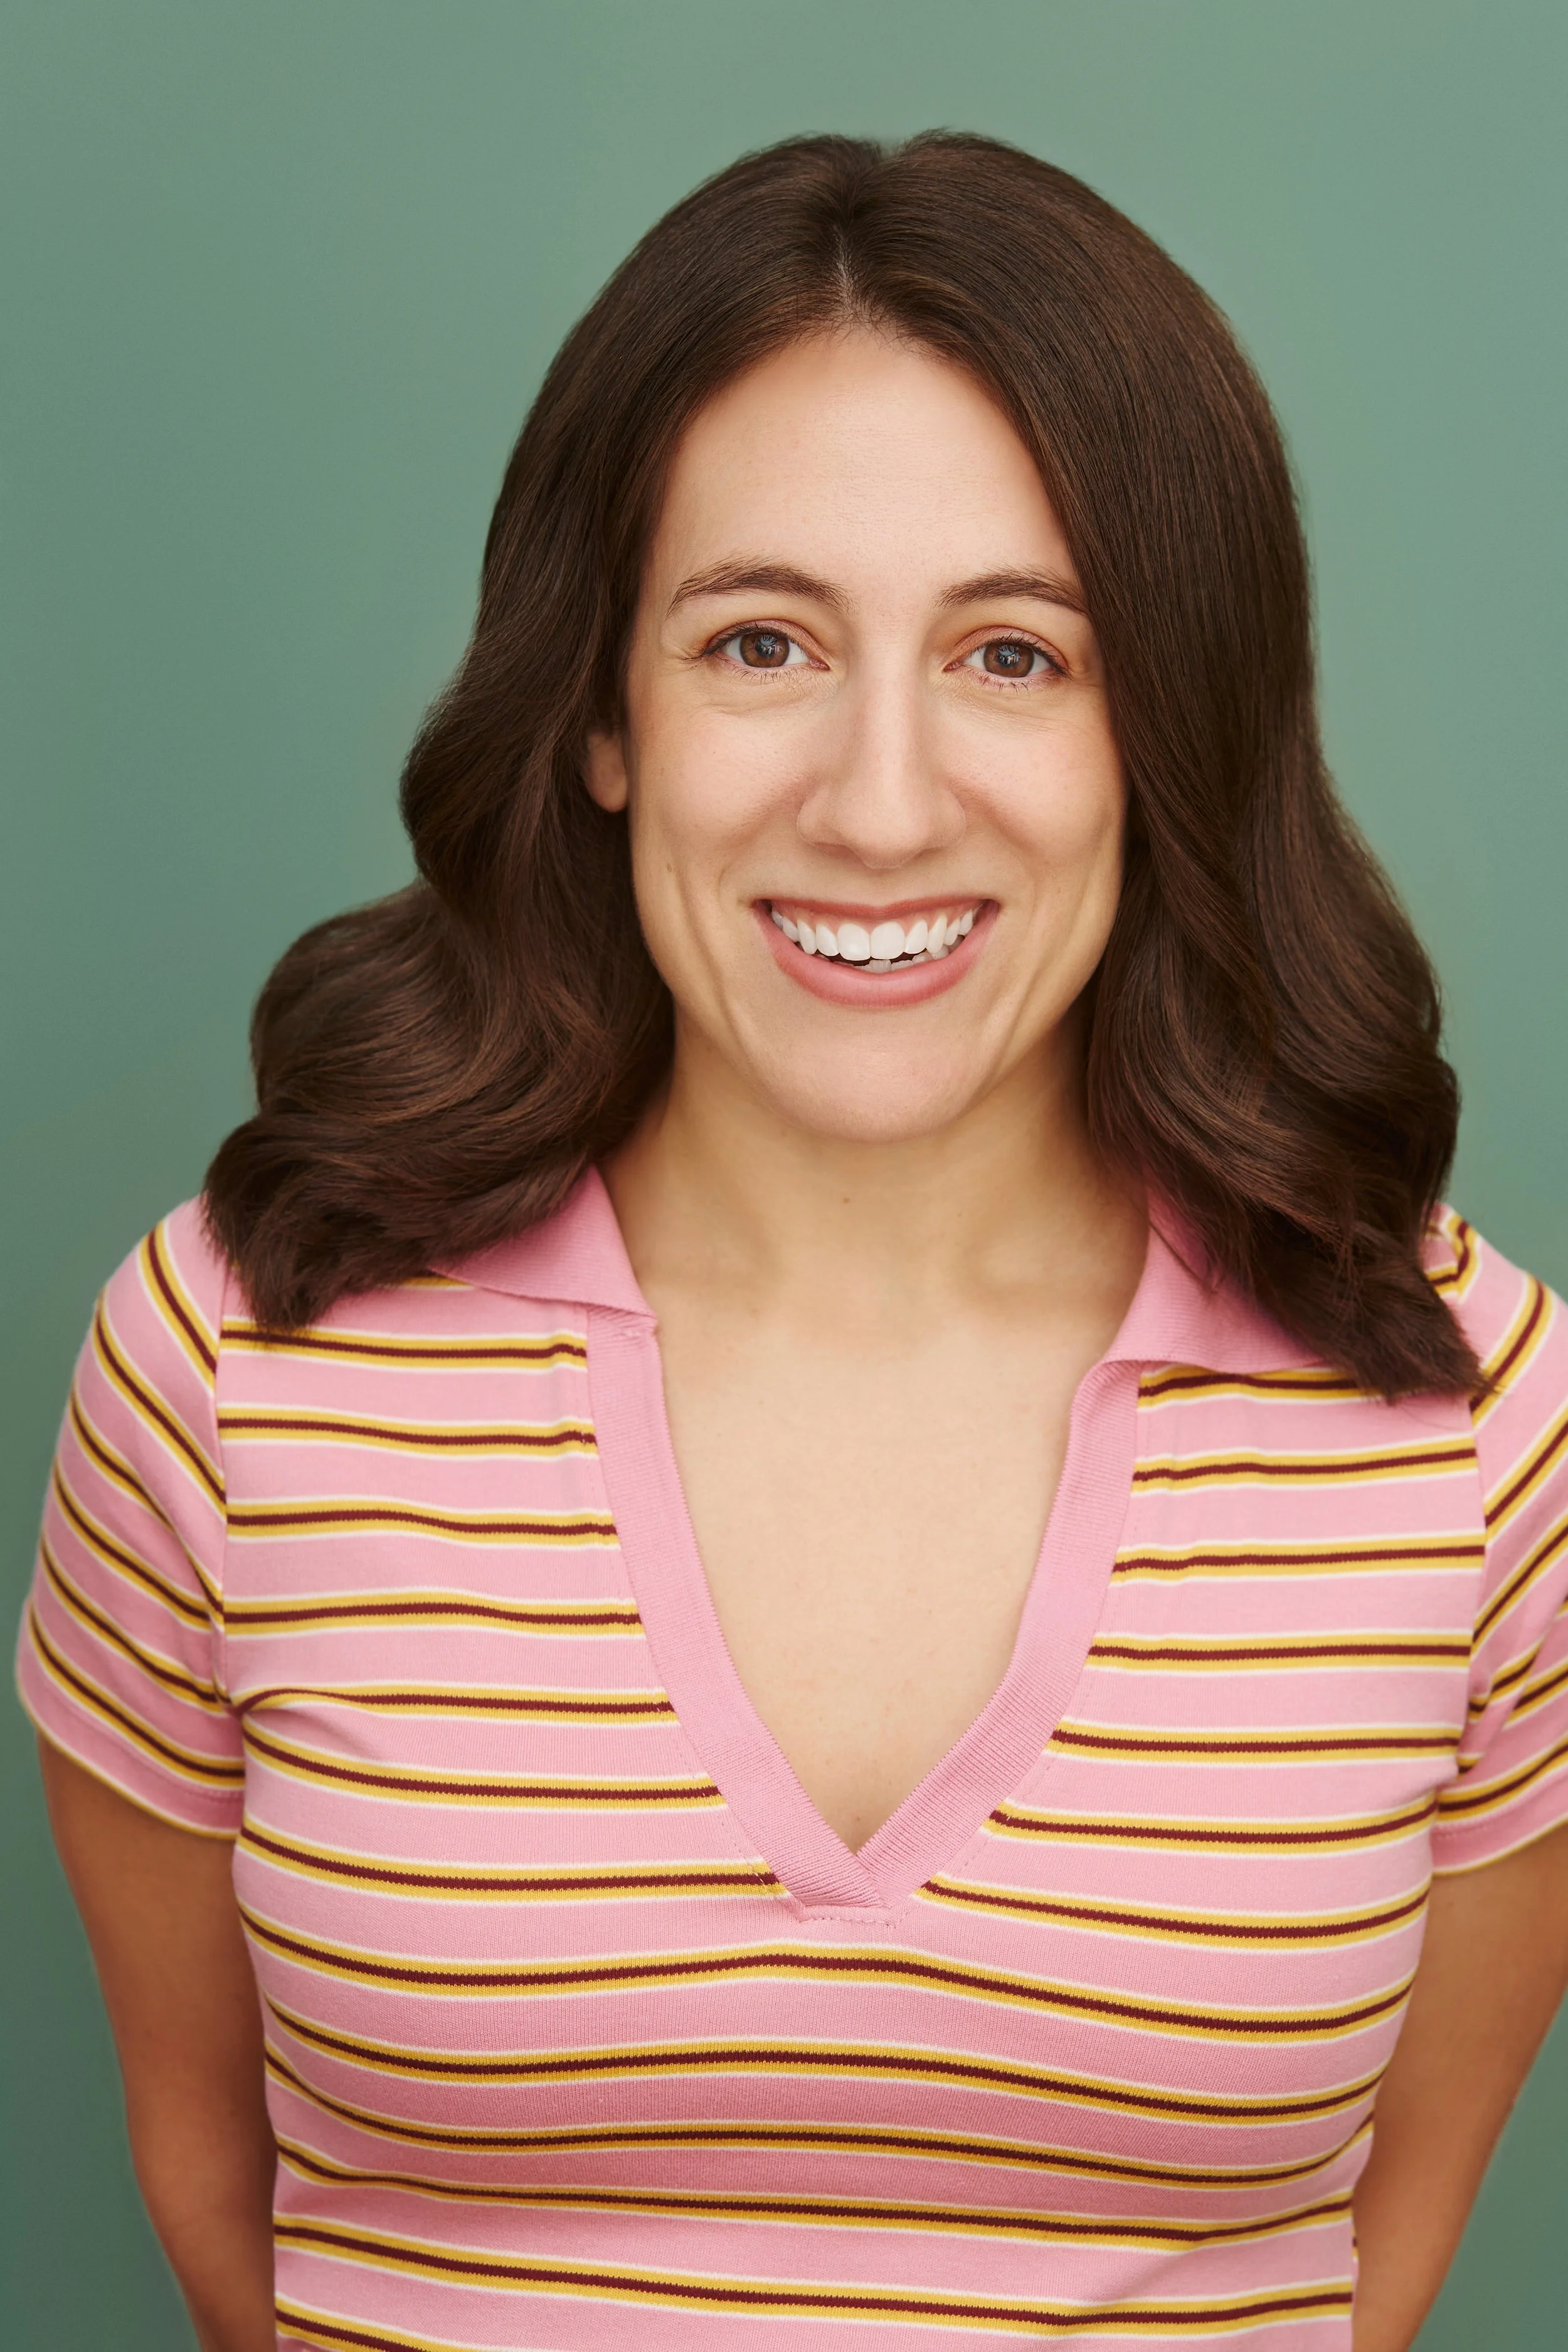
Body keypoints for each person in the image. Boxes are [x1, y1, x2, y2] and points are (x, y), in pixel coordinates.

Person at [18, 132, 1568, 2352]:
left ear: (1169, 732)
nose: (877, 798)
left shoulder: (1479, 1421)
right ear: (598, 717)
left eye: (1017, 655)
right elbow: (212, 2188)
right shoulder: (229, 1364)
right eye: (760, 639)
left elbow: (1362, 2272)